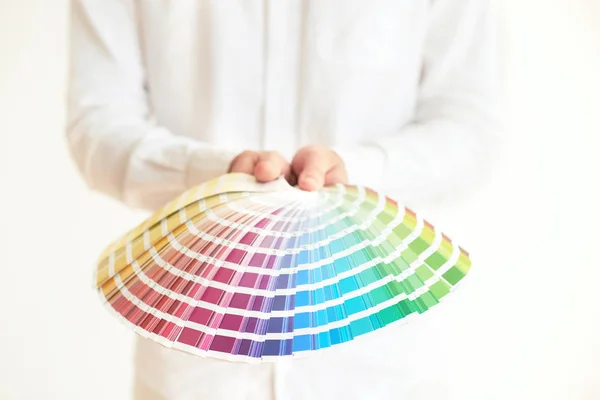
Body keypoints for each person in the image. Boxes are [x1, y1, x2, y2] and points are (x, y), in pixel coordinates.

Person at [67, 1, 496, 399]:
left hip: (379, 363)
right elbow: (98, 126)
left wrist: (356, 172)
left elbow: (467, 131)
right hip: (195, 370)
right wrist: (213, 174)